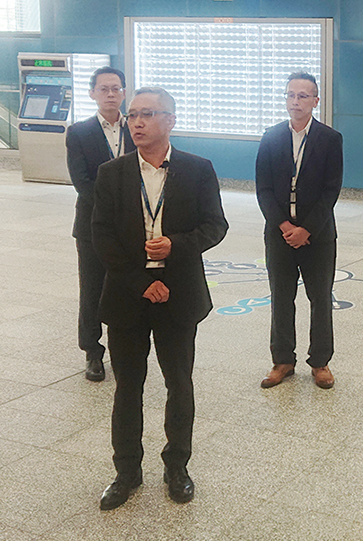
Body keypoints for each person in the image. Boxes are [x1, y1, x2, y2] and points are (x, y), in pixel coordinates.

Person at [92, 87, 228, 510]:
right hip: (128, 294)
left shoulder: (197, 169)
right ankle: (126, 472)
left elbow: (215, 225)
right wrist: (140, 282)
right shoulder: (111, 173)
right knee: (127, 387)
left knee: (179, 383)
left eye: (147, 114)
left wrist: (176, 246)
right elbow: (102, 236)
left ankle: (177, 467)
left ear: (170, 120)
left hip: (179, 293)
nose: (136, 122)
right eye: (133, 114)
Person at [256, 71, 343, 390]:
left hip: (317, 236)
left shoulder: (330, 139)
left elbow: (331, 190)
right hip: (279, 235)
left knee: (320, 298)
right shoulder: (271, 136)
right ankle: (282, 360)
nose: (296, 101)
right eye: (290, 95)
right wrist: (283, 226)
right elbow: (263, 188)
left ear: (315, 101)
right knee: (281, 297)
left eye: (303, 96)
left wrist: (306, 229)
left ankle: (320, 362)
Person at [66, 66, 136, 381]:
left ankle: (128, 348)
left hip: (133, 226)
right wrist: (115, 209)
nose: (110, 94)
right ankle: (93, 352)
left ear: (124, 93)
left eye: (116, 88)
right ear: (92, 93)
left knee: (128, 285)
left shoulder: (136, 127)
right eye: (104, 89)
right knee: (92, 288)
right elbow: (82, 182)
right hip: (92, 225)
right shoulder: (79, 132)